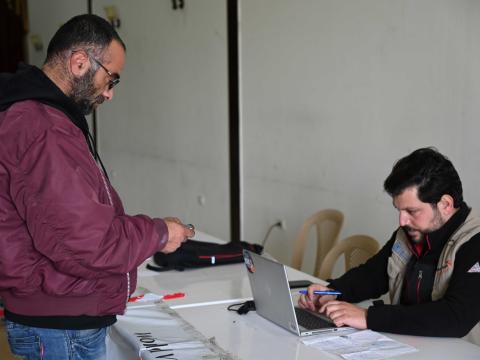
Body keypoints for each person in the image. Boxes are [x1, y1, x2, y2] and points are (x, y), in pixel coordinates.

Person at [0, 14, 194, 359]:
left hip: (55, 316)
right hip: (61, 326)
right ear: (79, 62)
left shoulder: (39, 117)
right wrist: (160, 233)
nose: (109, 93)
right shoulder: (42, 128)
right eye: (111, 78)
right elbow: (89, 244)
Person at [299, 147, 480, 341]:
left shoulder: (474, 242)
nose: (402, 221)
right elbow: (374, 274)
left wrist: (369, 317)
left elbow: (455, 317)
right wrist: (333, 292)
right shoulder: (412, 231)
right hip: (410, 344)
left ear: (445, 204)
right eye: (399, 210)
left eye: (412, 211)